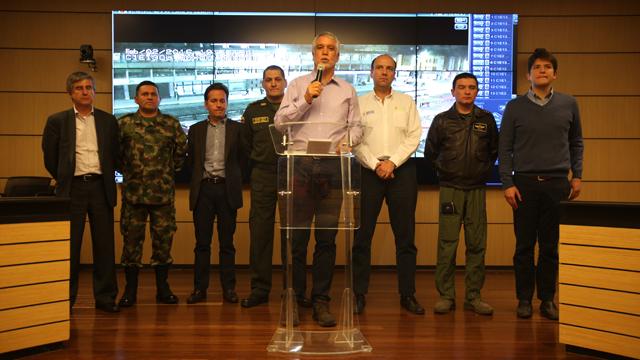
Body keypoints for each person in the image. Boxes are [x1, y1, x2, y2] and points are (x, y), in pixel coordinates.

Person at [274, 31, 362, 327]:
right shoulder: (299, 85)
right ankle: (296, 298)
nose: (325, 53)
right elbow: (280, 123)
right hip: (298, 166)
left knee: (326, 238)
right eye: (320, 48)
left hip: (333, 168)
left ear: (337, 55)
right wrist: (306, 100)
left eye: (331, 49)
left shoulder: (348, 90)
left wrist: (349, 142)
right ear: (313, 54)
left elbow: (357, 128)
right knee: (296, 238)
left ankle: (321, 300)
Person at [499, 48, 584, 320]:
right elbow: (504, 148)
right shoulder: (514, 107)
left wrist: (578, 175)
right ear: (528, 75)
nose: (542, 71)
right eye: (537, 67)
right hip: (523, 185)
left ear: (555, 73)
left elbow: (576, 142)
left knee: (550, 246)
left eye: (547, 67)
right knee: (524, 246)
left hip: (557, 184)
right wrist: (507, 184)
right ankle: (524, 299)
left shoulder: (569, 104)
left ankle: (547, 299)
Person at [352, 54, 424, 315]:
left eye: (389, 68)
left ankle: (408, 294)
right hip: (368, 173)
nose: (384, 72)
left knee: (405, 237)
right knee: (362, 237)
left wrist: (392, 163)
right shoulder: (358, 103)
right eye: (379, 68)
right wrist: (376, 165)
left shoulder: (406, 102)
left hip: (402, 173)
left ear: (395, 73)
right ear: (371, 72)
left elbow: (414, 136)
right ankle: (359, 294)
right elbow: (354, 139)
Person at [42, 71, 120, 313]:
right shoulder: (57, 121)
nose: (85, 92)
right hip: (71, 189)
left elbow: (115, 155)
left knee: (105, 246)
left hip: (100, 187)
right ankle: (65, 300)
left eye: (89, 87)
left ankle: (106, 298)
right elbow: (50, 158)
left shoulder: (108, 121)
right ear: (70, 93)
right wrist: (65, 178)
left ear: (94, 92)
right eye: (79, 88)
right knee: (70, 246)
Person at [425, 72, 499, 316]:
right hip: (451, 190)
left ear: (477, 92)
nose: (467, 91)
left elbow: (493, 152)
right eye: (462, 87)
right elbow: (430, 153)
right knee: (447, 244)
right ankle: (446, 296)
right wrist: (447, 173)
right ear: (453, 92)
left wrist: (481, 171)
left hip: (477, 190)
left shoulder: (486, 120)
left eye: (472, 87)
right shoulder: (441, 120)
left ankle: (473, 297)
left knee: (477, 245)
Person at [117, 80, 187, 307]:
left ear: (159, 98)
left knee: (163, 244)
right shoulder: (124, 124)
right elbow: (115, 155)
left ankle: (163, 288)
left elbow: (181, 154)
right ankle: (130, 290)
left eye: (153, 94)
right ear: (136, 99)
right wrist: (129, 173)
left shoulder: (171, 124)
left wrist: (164, 173)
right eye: (144, 94)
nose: (149, 97)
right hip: (133, 197)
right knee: (131, 245)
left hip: (162, 197)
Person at [185, 83, 246, 304]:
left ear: (227, 103)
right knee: (202, 243)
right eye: (214, 101)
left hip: (227, 190)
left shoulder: (237, 130)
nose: (218, 104)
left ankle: (228, 289)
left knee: (227, 243)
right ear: (206, 104)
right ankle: (199, 289)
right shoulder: (195, 130)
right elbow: (190, 161)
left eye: (222, 100)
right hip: (203, 191)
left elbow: (243, 160)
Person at [240, 66, 288, 308]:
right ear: (263, 83)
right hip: (263, 175)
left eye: (277, 79)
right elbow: (246, 145)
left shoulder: (296, 107)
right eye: (268, 80)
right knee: (260, 233)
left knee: (292, 234)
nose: (273, 83)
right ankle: (260, 289)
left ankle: (293, 289)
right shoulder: (252, 111)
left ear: (285, 82)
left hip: (293, 174)